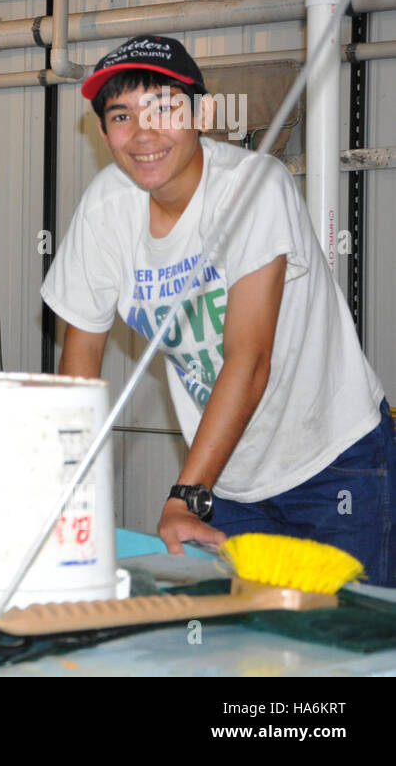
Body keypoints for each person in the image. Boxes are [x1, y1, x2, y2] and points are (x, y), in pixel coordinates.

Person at [41, 35, 393, 583]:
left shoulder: (254, 186)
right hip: (229, 478)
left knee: (349, 645)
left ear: (201, 113)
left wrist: (188, 492)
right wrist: (67, 493)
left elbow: (248, 360)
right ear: (104, 131)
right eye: (121, 116)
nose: (144, 133)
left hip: (332, 461)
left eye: (165, 108)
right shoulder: (105, 210)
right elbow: (78, 371)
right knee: (249, 653)